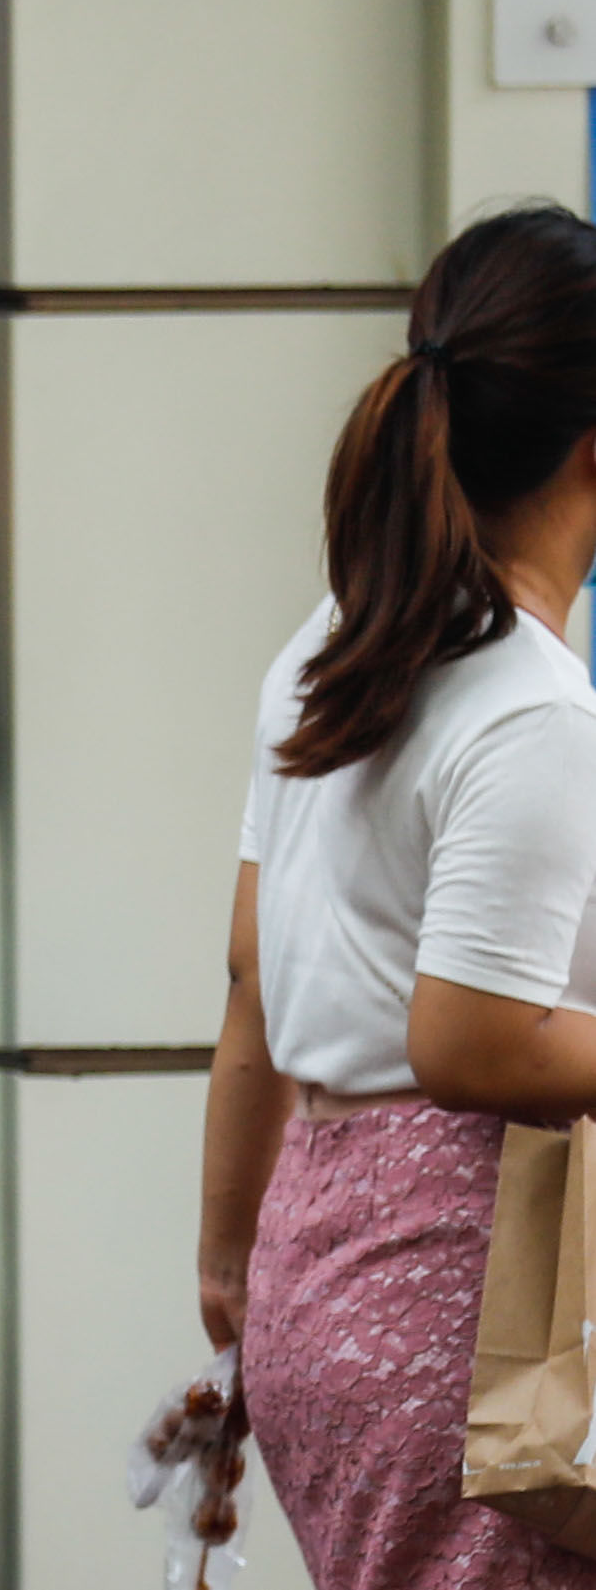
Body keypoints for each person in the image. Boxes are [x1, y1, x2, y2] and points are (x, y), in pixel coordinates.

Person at [199, 205, 596, 1590]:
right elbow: (469, 1039)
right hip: (471, 1293)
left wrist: (227, 1255)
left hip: (316, 1255)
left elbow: (251, 962)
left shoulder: (333, 641)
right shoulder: (530, 705)